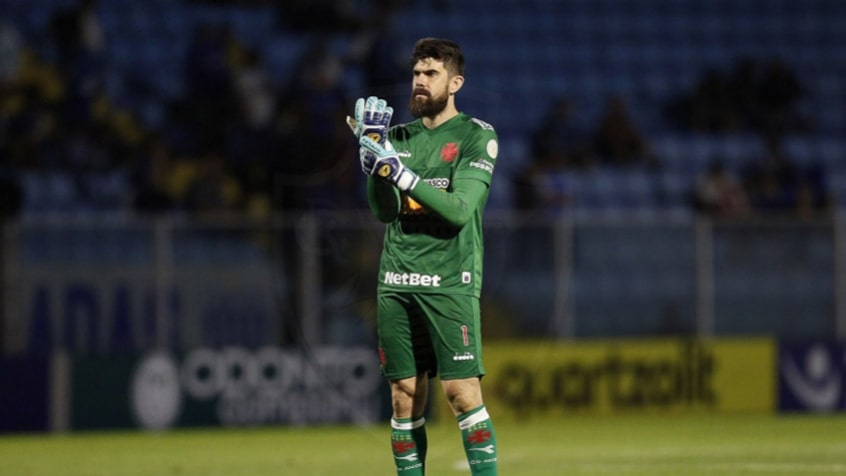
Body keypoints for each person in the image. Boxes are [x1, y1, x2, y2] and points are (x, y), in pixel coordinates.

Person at [349, 38, 499, 475]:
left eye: (430, 74)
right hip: (397, 281)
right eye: (416, 74)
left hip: (450, 281)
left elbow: (458, 209)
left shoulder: (477, 136)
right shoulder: (397, 138)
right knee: (403, 395)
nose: (419, 82)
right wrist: (375, 165)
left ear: (455, 82)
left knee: (461, 394)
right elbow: (384, 210)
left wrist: (400, 171)